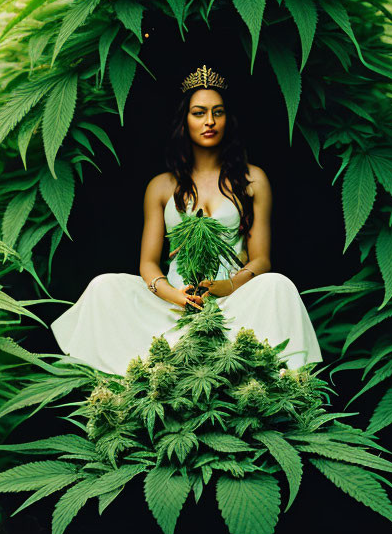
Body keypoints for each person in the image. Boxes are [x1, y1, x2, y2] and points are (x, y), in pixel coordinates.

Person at [50, 65, 323, 375]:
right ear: (185, 121)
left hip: (233, 299)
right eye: (199, 113)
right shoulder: (161, 186)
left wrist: (229, 285)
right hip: (173, 301)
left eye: (217, 113)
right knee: (104, 286)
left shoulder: (253, 180)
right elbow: (148, 264)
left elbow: (261, 259)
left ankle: (279, 375)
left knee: (278, 285)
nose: (209, 121)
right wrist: (175, 296)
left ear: (227, 120)